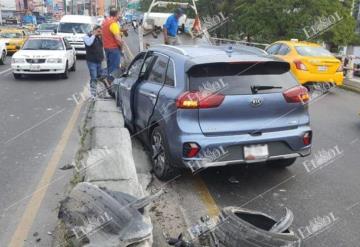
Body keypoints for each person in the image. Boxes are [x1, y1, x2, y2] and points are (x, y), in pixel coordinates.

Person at [102, 7, 124, 82]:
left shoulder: (105, 22)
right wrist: (122, 47)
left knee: (110, 68)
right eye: (119, 14)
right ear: (116, 15)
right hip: (113, 48)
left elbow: (108, 33)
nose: (120, 16)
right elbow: (118, 39)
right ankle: (113, 87)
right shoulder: (113, 24)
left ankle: (109, 83)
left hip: (107, 48)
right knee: (114, 69)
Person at [83, 25, 105, 99]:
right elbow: (89, 43)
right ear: (94, 30)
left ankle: (98, 91)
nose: (99, 32)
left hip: (99, 60)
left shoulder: (99, 37)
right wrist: (94, 35)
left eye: (100, 31)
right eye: (98, 31)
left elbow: (102, 47)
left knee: (99, 77)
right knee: (94, 77)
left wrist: (101, 36)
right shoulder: (87, 36)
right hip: (91, 61)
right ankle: (93, 94)